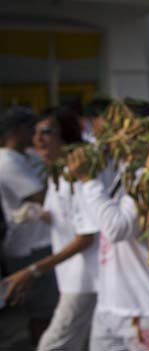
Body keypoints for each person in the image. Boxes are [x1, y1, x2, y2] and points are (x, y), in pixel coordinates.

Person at [67, 100, 149, 351]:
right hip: (112, 307)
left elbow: (117, 229)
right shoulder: (125, 171)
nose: (115, 134)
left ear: (148, 133)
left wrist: (88, 180)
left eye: (123, 127)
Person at [3, 107, 100, 351]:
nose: (37, 139)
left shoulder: (76, 176)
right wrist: (36, 214)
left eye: (46, 132)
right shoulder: (59, 173)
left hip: (83, 277)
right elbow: (63, 217)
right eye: (35, 132)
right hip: (73, 276)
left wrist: (34, 270)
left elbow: (85, 237)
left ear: (66, 135)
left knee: (53, 345)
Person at [0, 107, 59, 347]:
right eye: (31, 131)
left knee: (49, 309)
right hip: (28, 247)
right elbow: (41, 196)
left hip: (42, 242)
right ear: (17, 131)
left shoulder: (25, 156)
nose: (35, 137)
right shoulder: (6, 161)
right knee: (42, 313)